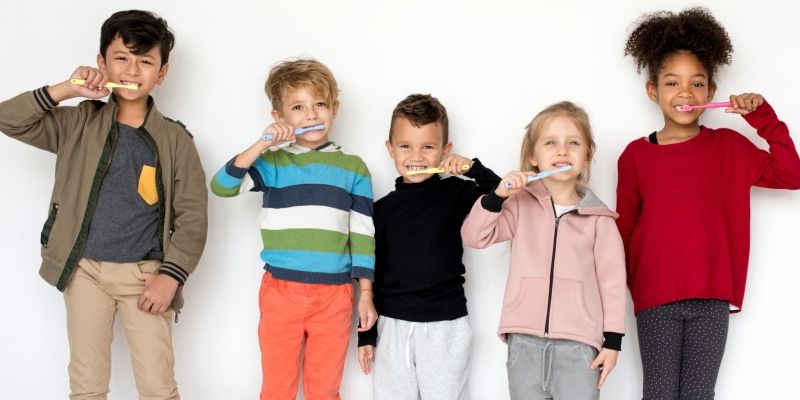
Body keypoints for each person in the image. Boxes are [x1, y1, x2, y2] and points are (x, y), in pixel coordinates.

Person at [0, 10, 208, 400]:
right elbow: (8, 120)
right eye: (121, 58)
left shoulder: (176, 140)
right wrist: (66, 89)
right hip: (84, 272)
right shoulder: (76, 123)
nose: (132, 70)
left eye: (145, 61)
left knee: (158, 386)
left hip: (146, 277)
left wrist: (171, 276)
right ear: (102, 62)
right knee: (86, 384)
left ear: (162, 72)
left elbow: (193, 216)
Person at [617, 7, 800, 399]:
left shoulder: (730, 147)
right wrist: (629, 290)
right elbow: (623, 232)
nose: (685, 92)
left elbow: (791, 174)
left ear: (711, 92)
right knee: (660, 393)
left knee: (699, 394)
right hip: (655, 298)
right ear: (653, 91)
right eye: (671, 82)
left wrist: (763, 118)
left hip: (712, 297)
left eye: (696, 83)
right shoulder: (634, 156)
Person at [209, 58, 376, 400]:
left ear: (335, 108)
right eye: (298, 107)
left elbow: (363, 235)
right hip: (281, 292)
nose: (311, 115)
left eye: (319, 104)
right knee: (277, 388)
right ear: (279, 117)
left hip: (335, 296)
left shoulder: (353, 168)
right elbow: (221, 186)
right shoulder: (272, 164)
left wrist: (367, 295)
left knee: (324, 390)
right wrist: (261, 145)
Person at [462, 101, 626, 400]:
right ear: (533, 157)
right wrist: (497, 196)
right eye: (550, 142)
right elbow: (474, 236)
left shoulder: (600, 221)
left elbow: (612, 283)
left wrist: (613, 341)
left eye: (573, 143)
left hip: (580, 346)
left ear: (587, 154)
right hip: (523, 341)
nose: (562, 151)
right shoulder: (519, 204)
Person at [356, 93, 501, 399]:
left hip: (445, 326)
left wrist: (472, 168)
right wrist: (367, 334)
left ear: (445, 150)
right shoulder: (381, 210)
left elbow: (501, 193)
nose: (417, 156)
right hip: (392, 325)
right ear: (390, 148)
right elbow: (372, 271)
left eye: (428, 147)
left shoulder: (457, 192)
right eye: (406, 146)